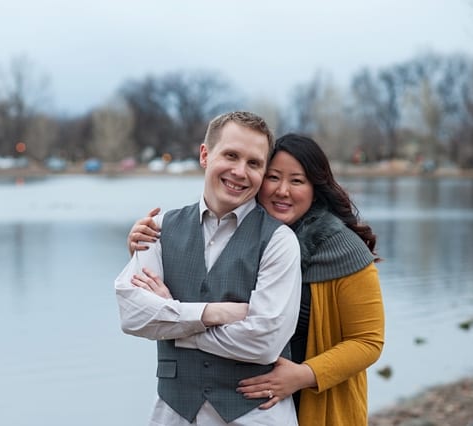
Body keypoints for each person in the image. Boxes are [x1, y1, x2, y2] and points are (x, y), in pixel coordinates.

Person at [128, 133, 385, 426]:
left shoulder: (342, 249)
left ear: (316, 188)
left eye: (297, 181)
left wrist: (303, 376)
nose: (282, 191)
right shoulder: (240, 235)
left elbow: (368, 341)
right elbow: (175, 283)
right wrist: (144, 247)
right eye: (273, 177)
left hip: (316, 397)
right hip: (245, 406)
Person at [115, 112, 302, 426]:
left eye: (254, 163)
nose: (240, 172)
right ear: (205, 155)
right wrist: (211, 313)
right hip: (172, 414)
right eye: (231, 155)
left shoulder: (280, 241)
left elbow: (265, 340)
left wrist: (174, 317)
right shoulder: (158, 228)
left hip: (257, 416)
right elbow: (132, 315)